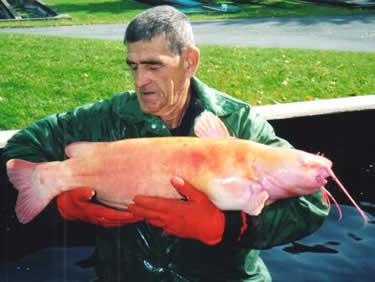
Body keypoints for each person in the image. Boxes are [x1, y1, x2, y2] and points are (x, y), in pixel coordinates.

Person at [2, 6, 328, 281]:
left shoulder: (239, 123)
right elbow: (23, 147)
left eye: (153, 66)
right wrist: (63, 206)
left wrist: (230, 227)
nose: (139, 80)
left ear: (190, 62)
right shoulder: (103, 118)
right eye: (134, 66)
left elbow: (311, 205)